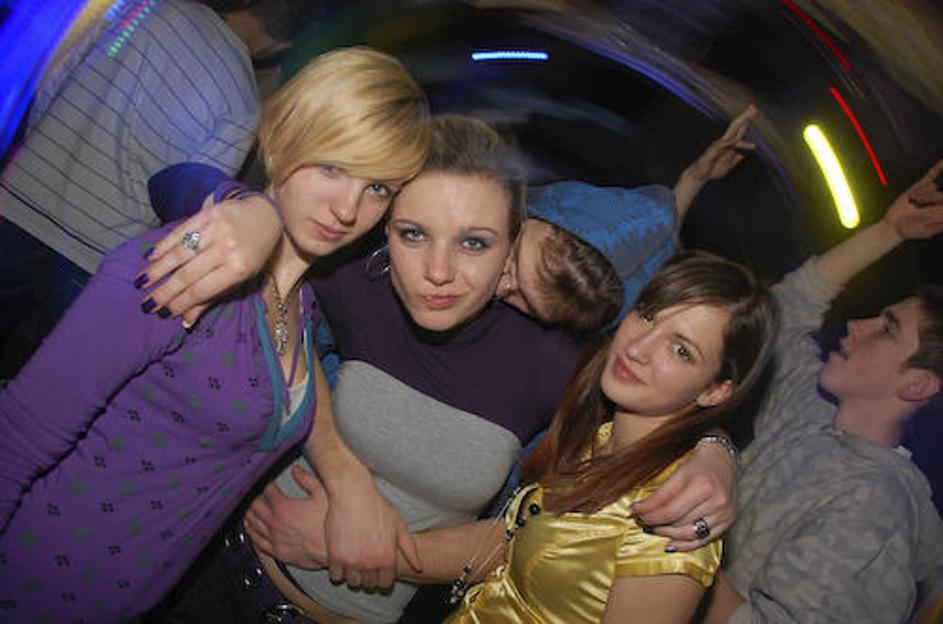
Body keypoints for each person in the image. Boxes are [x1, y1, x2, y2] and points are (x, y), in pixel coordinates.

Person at [142, 114, 743, 623]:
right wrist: (253, 216)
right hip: (206, 567)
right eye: (413, 234)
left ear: (507, 237)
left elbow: (662, 370)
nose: (438, 271)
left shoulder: (557, 361)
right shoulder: (368, 277)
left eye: (475, 244)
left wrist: (715, 450)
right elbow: (175, 184)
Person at [0, 46, 430, 623]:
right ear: (284, 135)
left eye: (378, 187)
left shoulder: (302, 304)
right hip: (32, 583)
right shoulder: (185, 268)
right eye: (334, 166)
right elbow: (16, 439)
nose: (348, 208)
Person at [247, 250, 780, 624]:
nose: (640, 348)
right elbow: (507, 543)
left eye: (681, 350)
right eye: (647, 315)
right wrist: (349, 544)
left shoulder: (675, 516)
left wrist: (716, 448)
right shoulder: (599, 439)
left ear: (716, 389)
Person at [0, 0, 322, 378]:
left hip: (17, 203)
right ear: (283, 44)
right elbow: (193, 207)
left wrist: (42, 151)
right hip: (93, 253)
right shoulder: (243, 98)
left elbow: (51, 84)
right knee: (39, 378)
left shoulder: (149, 10)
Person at [701, 161, 943, 623]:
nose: (858, 325)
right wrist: (889, 232)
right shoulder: (814, 410)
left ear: (918, 385)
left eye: (887, 330)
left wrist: (682, 545)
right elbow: (781, 314)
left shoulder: (876, 506)